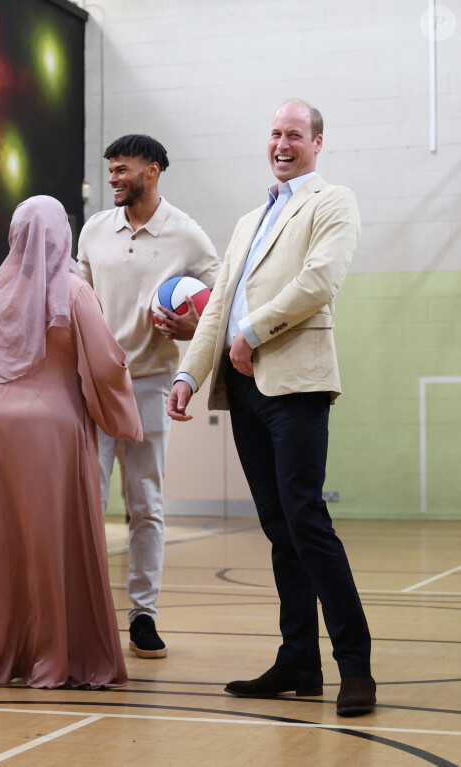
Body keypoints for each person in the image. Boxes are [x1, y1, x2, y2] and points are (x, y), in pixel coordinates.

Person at [167, 100, 376, 716]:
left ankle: (355, 667)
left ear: (317, 143)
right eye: (275, 134)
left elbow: (319, 282)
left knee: (307, 520)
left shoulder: (333, 202)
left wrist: (252, 332)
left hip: (298, 386)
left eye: (294, 135)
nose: (282, 143)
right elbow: (216, 307)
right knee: (280, 530)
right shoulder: (248, 220)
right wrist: (187, 374)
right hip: (245, 393)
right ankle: (298, 662)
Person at [0, 195, 143, 689]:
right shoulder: (72, 289)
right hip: (44, 425)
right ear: (62, 236)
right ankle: (49, 655)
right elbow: (107, 364)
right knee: (49, 538)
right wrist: (126, 418)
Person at [78, 134, 221, 658]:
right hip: (93, 384)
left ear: (153, 170)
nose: (114, 177)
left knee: (146, 505)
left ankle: (143, 616)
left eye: (122, 169)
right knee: (86, 505)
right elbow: (79, 302)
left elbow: (222, 299)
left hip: (151, 384)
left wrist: (193, 324)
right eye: (110, 170)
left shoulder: (186, 234)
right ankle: (85, 612)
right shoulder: (94, 231)